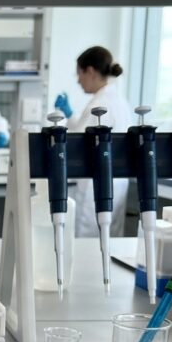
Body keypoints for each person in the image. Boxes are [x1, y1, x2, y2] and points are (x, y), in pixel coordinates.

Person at [54, 46, 134, 237]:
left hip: (95, 187)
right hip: (116, 184)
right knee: (110, 240)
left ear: (90, 71)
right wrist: (70, 114)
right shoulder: (118, 101)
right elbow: (86, 133)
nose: (78, 80)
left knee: (89, 242)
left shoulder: (100, 103)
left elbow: (77, 145)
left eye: (79, 74)